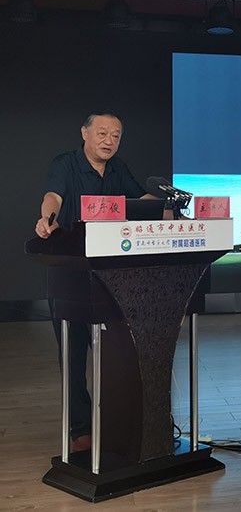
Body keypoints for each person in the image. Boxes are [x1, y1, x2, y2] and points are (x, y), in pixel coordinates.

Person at [34, 110, 150, 452]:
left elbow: (141, 199)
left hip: (110, 277)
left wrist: (168, 208)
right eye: (102, 133)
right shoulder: (66, 164)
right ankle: (79, 428)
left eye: (115, 135)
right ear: (84, 133)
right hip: (69, 275)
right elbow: (53, 197)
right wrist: (47, 217)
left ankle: (117, 421)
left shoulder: (118, 169)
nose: (109, 141)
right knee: (73, 355)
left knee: (115, 353)